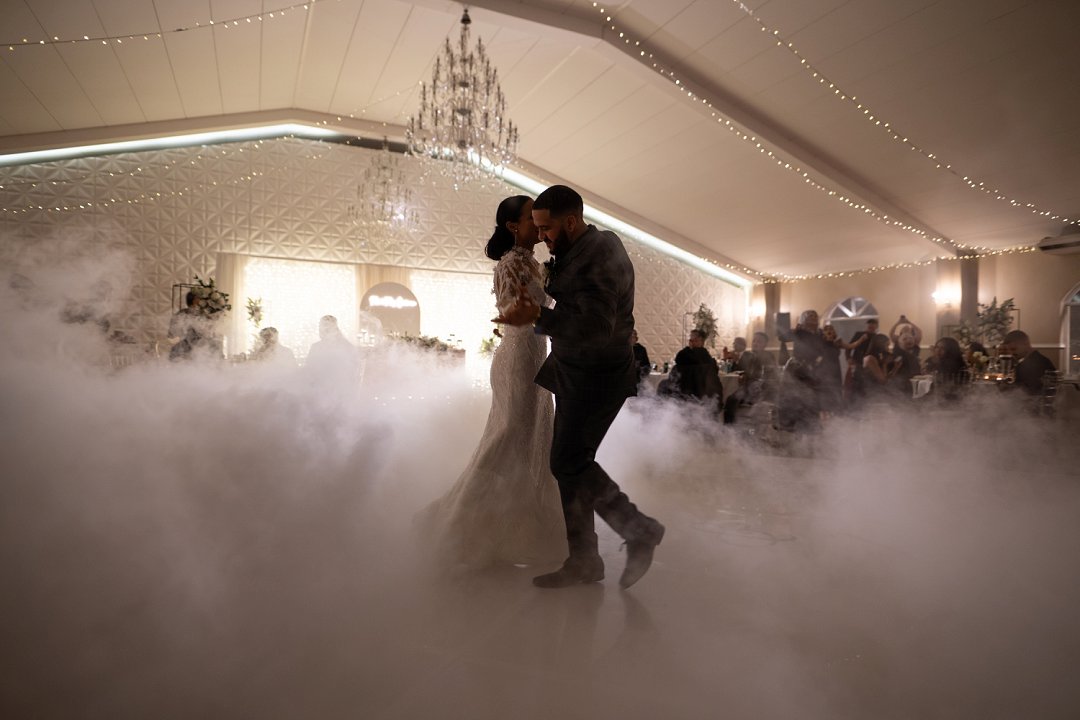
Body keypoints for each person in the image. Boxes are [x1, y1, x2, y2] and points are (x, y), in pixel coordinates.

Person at [495, 184, 665, 590]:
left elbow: (596, 328)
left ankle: (638, 530)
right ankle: (585, 560)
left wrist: (538, 316)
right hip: (576, 371)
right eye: (537, 228)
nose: (542, 237)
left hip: (598, 376)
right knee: (569, 463)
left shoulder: (599, 255)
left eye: (547, 228)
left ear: (571, 221)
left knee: (568, 462)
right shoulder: (584, 247)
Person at [418, 196, 566, 569]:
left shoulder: (531, 263)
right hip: (519, 359)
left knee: (533, 438)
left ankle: (517, 531)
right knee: (510, 438)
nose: (537, 222)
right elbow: (520, 312)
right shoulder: (511, 263)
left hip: (534, 355)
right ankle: (464, 528)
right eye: (530, 217)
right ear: (514, 226)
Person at [723, 331, 778, 424]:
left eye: (759, 341)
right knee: (730, 399)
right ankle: (728, 427)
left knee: (740, 397)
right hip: (746, 387)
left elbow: (771, 374)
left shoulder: (768, 356)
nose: (755, 343)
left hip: (760, 388)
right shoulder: (746, 355)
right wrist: (735, 361)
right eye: (754, 341)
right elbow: (737, 370)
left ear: (765, 344)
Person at [665, 329, 722, 406]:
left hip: (684, 392)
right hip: (702, 394)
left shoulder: (685, 356)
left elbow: (678, 360)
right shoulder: (706, 356)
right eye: (691, 340)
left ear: (699, 341)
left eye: (692, 340)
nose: (690, 342)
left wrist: (689, 348)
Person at [1001, 329, 1056, 396]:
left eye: (1014, 349)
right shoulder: (1040, 360)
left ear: (1026, 344)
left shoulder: (1039, 363)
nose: (1012, 353)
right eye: (1010, 350)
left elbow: (1029, 393)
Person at [304, 315, 359, 380]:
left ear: (335, 329)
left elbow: (353, 369)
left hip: (340, 382)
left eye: (327, 327)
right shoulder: (315, 347)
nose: (321, 330)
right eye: (320, 327)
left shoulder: (346, 347)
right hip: (318, 382)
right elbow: (308, 368)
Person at [844, 317, 877, 403]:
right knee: (854, 385)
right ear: (867, 325)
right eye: (870, 324)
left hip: (870, 367)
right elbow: (849, 347)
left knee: (868, 387)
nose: (871, 326)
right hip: (857, 362)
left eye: (873, 325)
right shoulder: (859, 334)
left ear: (876, 326)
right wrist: (848, 358)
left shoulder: (877, 337)